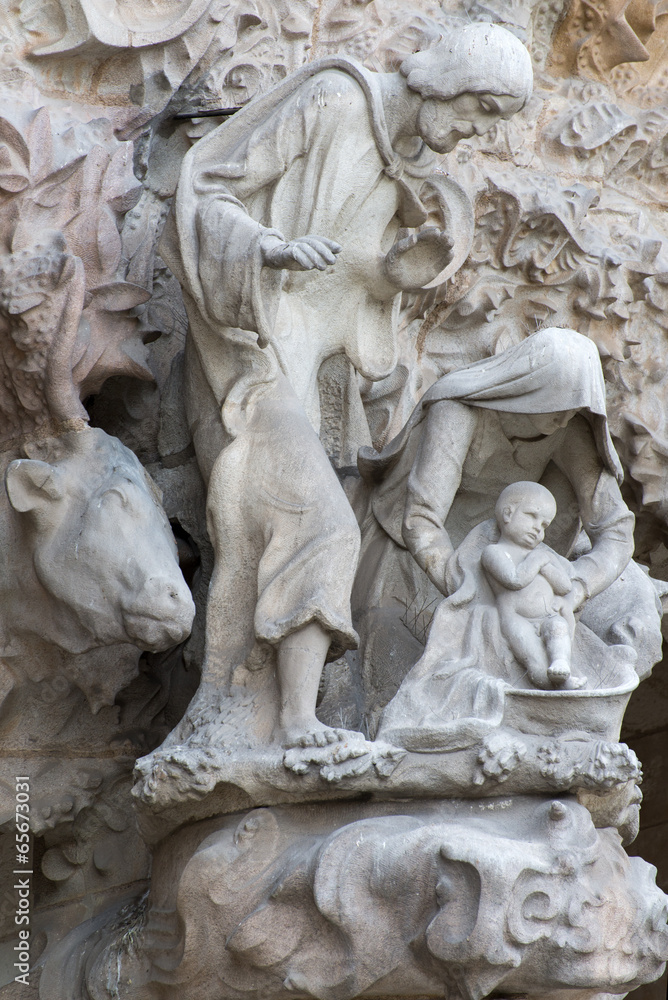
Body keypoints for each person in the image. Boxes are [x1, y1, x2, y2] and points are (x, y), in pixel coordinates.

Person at [159, 23, 534, 750]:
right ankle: (291, 723)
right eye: (477, 110)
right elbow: (206, 190)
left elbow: (358, 295)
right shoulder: (333, 99)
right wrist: (267, 247)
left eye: (490, 123)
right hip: (250, 361)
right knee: (319, 523)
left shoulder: (411, 175)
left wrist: (396, 274)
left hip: (325, 386)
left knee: (364, 532)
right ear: (446, 78)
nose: (472, 132)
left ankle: (294, 712)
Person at [356, 327, 636, 730]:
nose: (564, 418)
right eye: (559, 402)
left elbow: (615, 530)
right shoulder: (458, 411)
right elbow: (420, 518)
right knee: (401, 688)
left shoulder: (567, 429)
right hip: (425, 558)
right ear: (531, 385)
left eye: (575, 408)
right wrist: (467, 586)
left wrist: (578, 585)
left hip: (521, 566)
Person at [481, 482, 584, 690]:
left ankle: (561, 663)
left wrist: (546, 565)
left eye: (545, 525)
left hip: (548, 616)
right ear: (508, 514)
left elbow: (564, 587)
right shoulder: (494, 552)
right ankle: (550, 683)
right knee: (535, 661)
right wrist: (538, 560)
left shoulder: (542, 556)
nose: (538, 527)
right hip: (516, 619)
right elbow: (514, 580)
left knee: (558, 628)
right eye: (532, 516)